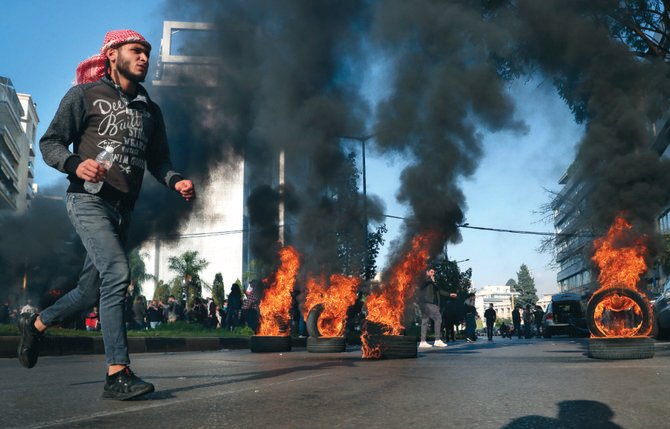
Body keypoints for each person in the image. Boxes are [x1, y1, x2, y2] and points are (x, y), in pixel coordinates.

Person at [17, 29, 195, 401]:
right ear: (113, 55)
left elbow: (159, 161)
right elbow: (49, 142)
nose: (145, 57)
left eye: (147, 52)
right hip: (87, 200)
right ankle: (118, 372)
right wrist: (75, 164)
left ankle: (35, 324)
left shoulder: (150, 110)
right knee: (117, 273)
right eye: (136, 51)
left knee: (89, 290)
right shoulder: (84, 95)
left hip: (122, 209)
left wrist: (176, 181)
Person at [417, 268, 447, 349]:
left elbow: (439, 291)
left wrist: (449, 294)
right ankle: (437, 340)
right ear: (427, 272)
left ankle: (422, 341)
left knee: (425, 322)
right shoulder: (424, 280)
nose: (433, 273)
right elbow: (421, 285)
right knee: (438, 318)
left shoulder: (432, 282)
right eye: (431, 272)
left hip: (426, 304)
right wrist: (431, 280)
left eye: (434, 272)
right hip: (428, 303)